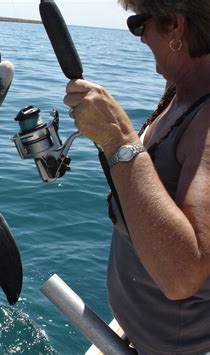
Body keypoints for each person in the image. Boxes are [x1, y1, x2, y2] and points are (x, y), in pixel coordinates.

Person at [63, 1, 210, 353]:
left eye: (139, 25)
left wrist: (119, 139)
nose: (140, 39)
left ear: (176, 27)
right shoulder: (179, 92)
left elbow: (182, 276)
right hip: (137, 333)